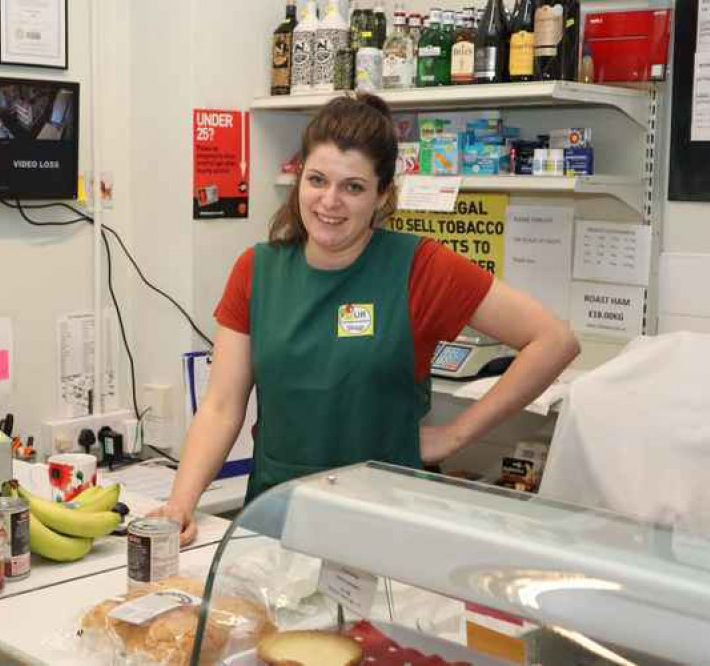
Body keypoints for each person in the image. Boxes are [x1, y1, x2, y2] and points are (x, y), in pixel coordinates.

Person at [157, 93, 579, 545]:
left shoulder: (418, 267)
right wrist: (181, 502)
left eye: (353, 187)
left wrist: (455, 436)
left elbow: (554, 340)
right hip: (278, 519)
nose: (330, 201)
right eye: (317, 180)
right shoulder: (256, 271)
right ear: (299, 178)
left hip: (388, 523)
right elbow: (221, 407)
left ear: (381, 196)